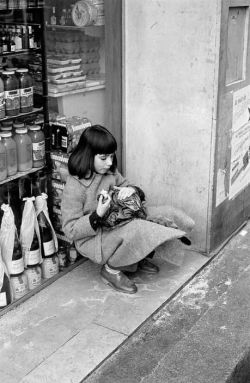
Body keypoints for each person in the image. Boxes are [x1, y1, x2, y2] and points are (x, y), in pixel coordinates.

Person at [61, 125, 194, 294]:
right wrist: (97, 215)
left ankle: (136, 258)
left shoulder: (109, 171)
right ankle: (112, 270)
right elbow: (70, 230)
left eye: (111, 156)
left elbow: (127, 186)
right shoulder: (75, 186)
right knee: (139, 229)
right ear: (88, 156)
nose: (109, 162)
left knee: (168, 213)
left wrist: (132, 190)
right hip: (96, 236)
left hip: (121, 218)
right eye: (103, 158)